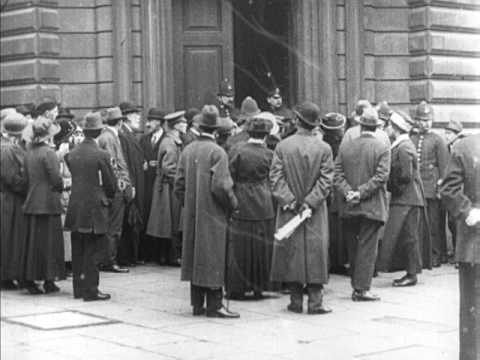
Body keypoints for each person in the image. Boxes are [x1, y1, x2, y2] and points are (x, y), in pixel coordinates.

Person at [174, 105, 240, 318]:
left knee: (195, 255)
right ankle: (215, 305)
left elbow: (179, 185)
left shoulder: (187, 150)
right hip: (213, 213)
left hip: (192, 212)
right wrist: (232, 204)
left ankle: (197, 304)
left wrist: (190, 203)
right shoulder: (217, 152)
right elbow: (221, 186)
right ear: (217, 130)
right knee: (213, 256)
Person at [269, 102, 334, 314]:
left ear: (297, 121)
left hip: (290, 210)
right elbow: (326, 181)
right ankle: (316, 302)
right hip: (314, 211)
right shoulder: (324, 148)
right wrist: (310, 202)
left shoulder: (282, 146)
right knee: (316, 253)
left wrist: (290, 201)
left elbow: (275, 178)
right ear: (315, 124)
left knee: (292, 253)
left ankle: (295, 301)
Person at [335, 107, 390, 301]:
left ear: (360, 126)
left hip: (349, 205)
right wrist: (361, 193)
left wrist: (348, 192)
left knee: (353, 247)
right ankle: (362, 289)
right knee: (367, 248)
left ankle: (356, 286)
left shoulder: (346, 147)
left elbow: (337, 174)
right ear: (376, 127)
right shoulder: (383, 148)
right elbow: (381, 177)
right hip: (371, 206)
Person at [64, 112, 117, 301]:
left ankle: (79, 289)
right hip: (95, 207)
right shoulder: (102, 154)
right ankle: (91, 290)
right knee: (93, 251)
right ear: (99, 131)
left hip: (76, 206)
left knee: (78, 248)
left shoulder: (71, 154)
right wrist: (108, 197)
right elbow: (111, 184)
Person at [440, 133, 480, 360]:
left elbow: (448, 189)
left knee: (472, 311)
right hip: (475, 241)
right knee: (473, 311)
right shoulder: (466, 147)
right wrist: (467, 211)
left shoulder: (465, 145)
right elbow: (449, 189)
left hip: (474, 242)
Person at [226, 117, 275, 300]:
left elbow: (229, 175)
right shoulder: (269, 154)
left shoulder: (237, 150)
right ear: (265, 135)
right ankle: (259, 287)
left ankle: (237, 287)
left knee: (240, 245)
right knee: (261, 245)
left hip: (242, 199)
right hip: (263, 200)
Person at [377, 112, 424, 286]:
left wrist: (392, 187)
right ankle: (411, 272)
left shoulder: (403, 147)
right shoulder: (402, 145)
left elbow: (405, 175)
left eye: (389, 126)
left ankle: (412, 274)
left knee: (409, 236)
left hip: (407, 199)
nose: (387, 129)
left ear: (396, 129)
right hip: (407, 198)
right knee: (406, 236)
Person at [23, 116, 66, 294]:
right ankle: (49, 280)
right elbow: (56, 179)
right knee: (50, 244)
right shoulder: (48, 153)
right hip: (48, 202)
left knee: (34, 244)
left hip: (33, 201)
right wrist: (63, 185)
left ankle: (31, 279)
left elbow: (26, 178)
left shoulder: (29, 152)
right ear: (48, 135)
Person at [410, 101, 449, 267]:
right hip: (417, 187)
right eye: (421, 120)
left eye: (427, 120)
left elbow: (444, 165)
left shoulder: (438, 140)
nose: (424, 123)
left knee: (434, 224)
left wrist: (440, 186)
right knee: (420, 226)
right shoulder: (412, 138)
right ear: (416, 121)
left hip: (432, 188)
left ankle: (436, 256)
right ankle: (423, 257)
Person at [146, 110, 186, 266]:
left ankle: (167, 256)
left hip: (168, 186)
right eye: (182, 123)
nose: (185, 125)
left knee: (169, 223)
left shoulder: (172, 140)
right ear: (176, 126)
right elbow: (168, 168)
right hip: (169, 188)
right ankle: (172, 257)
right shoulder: (170, 142)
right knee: (173, 222)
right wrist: (181, 182)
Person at [96, 107, 131, 273]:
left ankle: (107, 259)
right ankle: (110, 260)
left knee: (109, 224)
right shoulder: (110, 138)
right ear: (121, 122)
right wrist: (122, 183)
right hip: (115, 187)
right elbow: (113, 164)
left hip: (107, 186)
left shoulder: (105, 136)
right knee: (114, 226)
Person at [0, 112, 28, 290]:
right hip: (10, 199)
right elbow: (11, 179)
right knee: (10, 238)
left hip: (10, 198)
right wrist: (28, 183)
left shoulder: (8, 147)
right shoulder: (7, 150)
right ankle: (7, 276)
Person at [118, 102, 146, 266]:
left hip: (136, 183)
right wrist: (131, 185)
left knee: (133, 220)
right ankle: (127, 256)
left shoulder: (129, 135)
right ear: (127, 117)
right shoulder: (123, 136)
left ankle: (131, 256)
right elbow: (126, 163)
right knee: (129, 220)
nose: (138, 117)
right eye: (135, 114)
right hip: (132, 184)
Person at [319, 112, 348, 274]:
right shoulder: (337, 146)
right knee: (336, 226)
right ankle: (337, 261)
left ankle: (333, 260)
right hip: (335, 189)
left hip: (331, 189)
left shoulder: (324, 145)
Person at [139, 108, 165, 262]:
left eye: (152, 121)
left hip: (159, 182)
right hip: (147, 183)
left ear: (160, 123)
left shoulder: (166, 139)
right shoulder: (144, 139)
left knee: (160, 216)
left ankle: (159, 253)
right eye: (149, 120)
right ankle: (148, 253)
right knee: (147, 213)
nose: (149, 124)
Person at [444, 117, 466, 260]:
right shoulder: (449, 147)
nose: (446, 136)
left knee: (458, 223)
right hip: (453, 189)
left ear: (456, 135)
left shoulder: (459, 148)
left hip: (460, 190)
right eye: (446, 133)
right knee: (452, 222)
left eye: (449, 133)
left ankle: (460, 254)